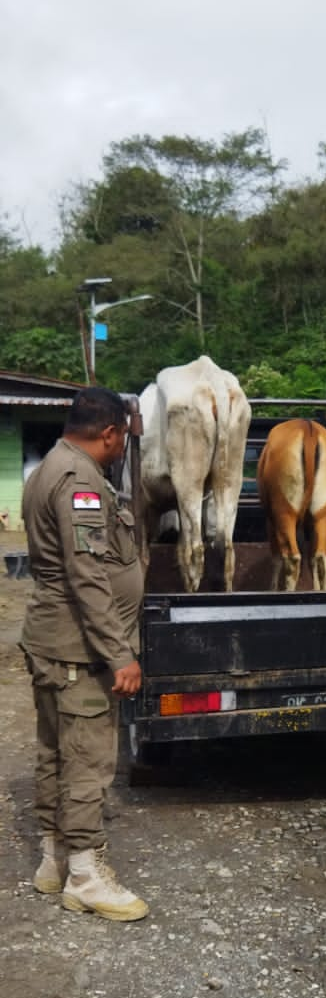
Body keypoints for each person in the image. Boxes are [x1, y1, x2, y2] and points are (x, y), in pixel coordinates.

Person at [20, 387, 149, 921]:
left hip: (54, 641)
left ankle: (54, 859)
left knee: (55, 751)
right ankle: (86, 875)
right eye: (122, 440)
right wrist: (119, 653)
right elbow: (87, 575)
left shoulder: (49, 467)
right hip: (79, 649)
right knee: (87, 761)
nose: (122, 450)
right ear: (110, 433)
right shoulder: (80, 482)